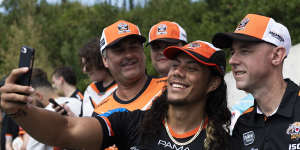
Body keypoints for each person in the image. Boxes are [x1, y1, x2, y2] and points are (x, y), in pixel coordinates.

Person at [0, 40, 231, 150]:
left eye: (191, 68)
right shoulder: (134, 122)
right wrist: (19, 110)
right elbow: (65, 130)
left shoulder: (225, 144)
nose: (177, 73)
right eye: (175, 65)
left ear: (212, 84)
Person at [212, 14, 299, 149]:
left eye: (245, 51)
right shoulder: (242, 124)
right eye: (233, 52)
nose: (232, 61)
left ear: (276, 56)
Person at [92, 20, 167, 116]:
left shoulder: (170, 88)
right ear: (105, 60)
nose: (128, 55)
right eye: (119, 50)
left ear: (143, 52)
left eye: (134, 47)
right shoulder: (101, 112)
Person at [27, 68, 82, 150]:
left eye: (31, 102)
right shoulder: (78, 102)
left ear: (38, 96)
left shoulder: (43, 116)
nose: (30, 107)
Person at [79, 37, 117, 117]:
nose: (85, 70)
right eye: (83, 65)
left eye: (88, 65)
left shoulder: (123, 89)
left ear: (101, 61)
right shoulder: (89, 91)